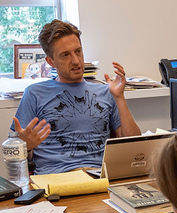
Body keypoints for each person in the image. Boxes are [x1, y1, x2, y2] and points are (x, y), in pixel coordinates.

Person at [11, 20, 141, 175]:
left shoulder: (106, 91)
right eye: (65, 55)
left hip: (99, 177)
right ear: (50, 61)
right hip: (56, 179)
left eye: (78, 51)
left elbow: (134, 145)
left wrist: (119, 98)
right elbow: (13, 148)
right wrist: (27, 145)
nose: (76, 61)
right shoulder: (34, 93)